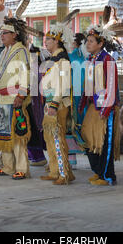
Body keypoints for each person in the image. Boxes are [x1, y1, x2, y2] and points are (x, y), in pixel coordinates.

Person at [0, 17, 31, 180]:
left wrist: (21, 95)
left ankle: (22, 168)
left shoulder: (21, 51)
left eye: (5, 33)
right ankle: (7, 166)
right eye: (1, 33)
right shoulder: (3, 51)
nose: (2, 36)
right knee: (4, 135)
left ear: (14, 35)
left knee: (17, 134)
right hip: (2, 98)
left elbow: (25, 74)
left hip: (14, 97)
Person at [80, 24, 120, 186]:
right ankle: (98, 171)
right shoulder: (91, 59)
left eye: (91, 41)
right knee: (89, 139)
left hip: (105, 107)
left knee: (104, 142)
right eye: (87, 41)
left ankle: (108, 176)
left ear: (100, 43)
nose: (87, 44)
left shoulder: (108, 60)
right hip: (93, 106)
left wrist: (106, 108)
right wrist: (83, 101)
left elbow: (111, 85)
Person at [39, 21, 75, 185]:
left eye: (48, 40)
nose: (45, 43)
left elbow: (62, 85)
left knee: (57, 138)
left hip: (57, 104)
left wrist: (53, 104)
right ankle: (54, 171)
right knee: (50, 138)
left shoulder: (63, 61)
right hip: (49, 102)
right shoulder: (53, 59)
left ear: (57, 41)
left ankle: (64, 173)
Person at [68, 33, 88, 168]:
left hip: (73, 95)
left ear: (74, 43)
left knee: (71, 124)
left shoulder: (70, 56)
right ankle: (91, 155)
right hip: (86, 95)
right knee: (86, 123)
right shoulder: (89, 56)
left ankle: (72, 159)